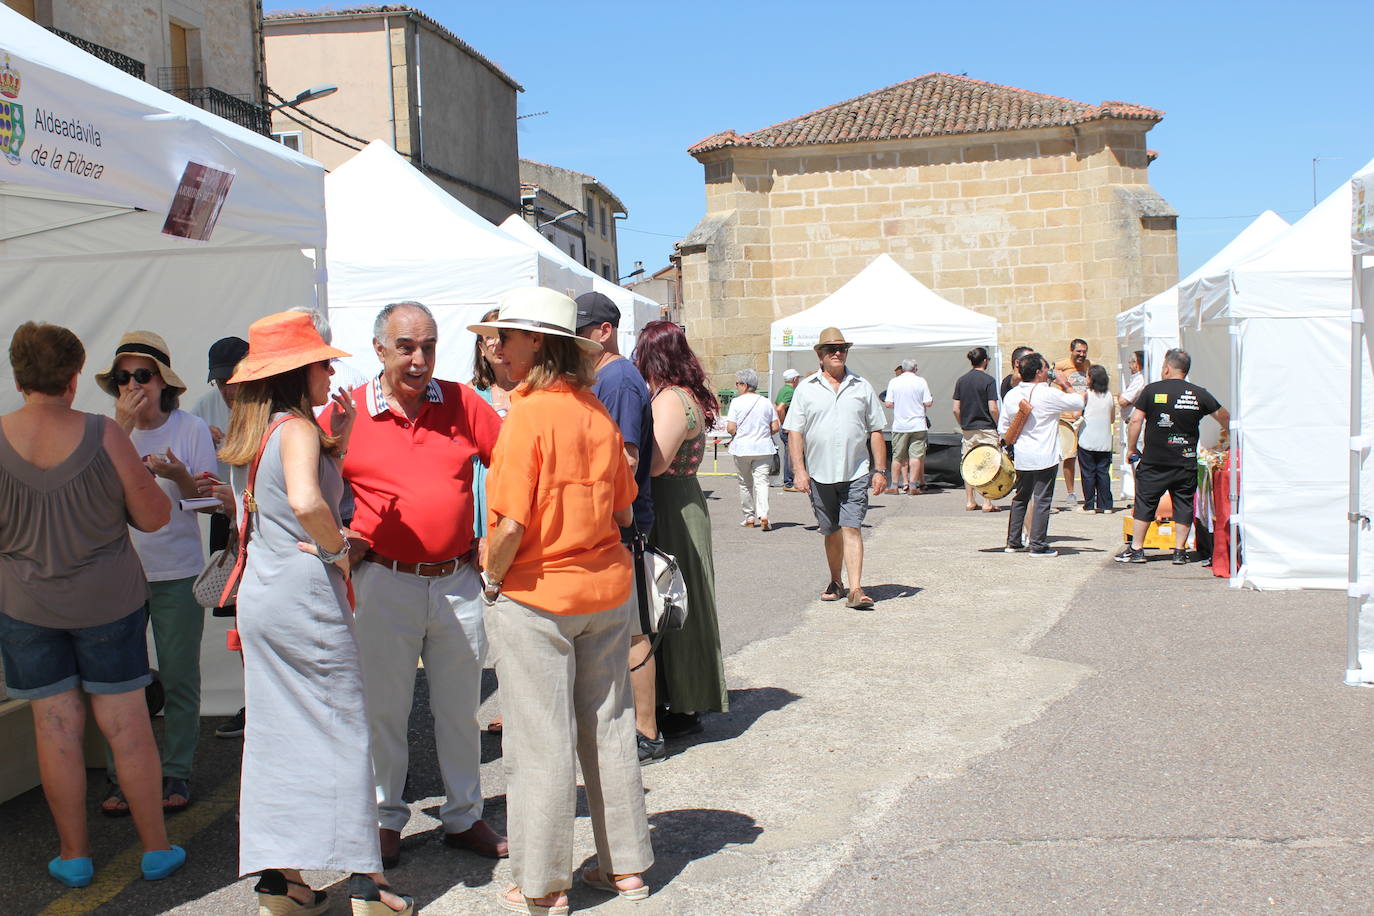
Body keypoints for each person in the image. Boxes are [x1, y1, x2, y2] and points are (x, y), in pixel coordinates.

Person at [221, 311, 412, 915]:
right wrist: (339, 551)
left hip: (263, 595)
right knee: (344, 731)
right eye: (323, 363)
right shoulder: (295, 430)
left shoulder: (252, 434)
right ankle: (365, 884)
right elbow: (307, 499)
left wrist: (343, 435)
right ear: (297, 372)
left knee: (277, 738)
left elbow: (277, 497)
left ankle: (281, 881)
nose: (331, 372)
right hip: (305, 593)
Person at [473, 288, 653, 913]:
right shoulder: (595, 412)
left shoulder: (527, 415)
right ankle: (625, 866)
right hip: (604, 588)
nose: (497, 346)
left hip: (538, 594)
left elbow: (510, 524)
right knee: (607, 728)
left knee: (539, 739)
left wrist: (492, 577)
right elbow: (625, 504)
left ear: (538, 344)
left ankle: (543, 881)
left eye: (508, 337)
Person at [323, 301, 507, 868]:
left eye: (428, 346)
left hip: (456, 580)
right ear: (379, 350)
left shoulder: (460, 402)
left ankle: (462, 816)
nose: (420, 358)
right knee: (385, 707)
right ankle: (383, 820)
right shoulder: (347, 413)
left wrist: (496, 535)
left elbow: (513, 463)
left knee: (458, 708)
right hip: (383, 580)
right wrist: (343, 539)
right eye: (406, 347)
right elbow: (316, 483)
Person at [0, 323, 184, 888]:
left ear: (17, 375)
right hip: (109, 602)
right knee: (127, 725)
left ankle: (74, 854)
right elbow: (154, 516)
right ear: (76, 377)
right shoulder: (105, 434)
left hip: (27, 606)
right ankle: (155, 847)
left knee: (54, 727)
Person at [95, 331, 217, 816]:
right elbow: (89, 495)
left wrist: (178, 475)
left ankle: (176, 772)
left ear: (163, 381)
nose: (132, 386)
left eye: (142, 375)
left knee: (180, 676)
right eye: (123, 377)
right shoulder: (105, 433)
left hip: (177, 571)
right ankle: (124, 775)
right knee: (119, 682)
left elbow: (209, 504)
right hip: (119, 574)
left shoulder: (188, 428)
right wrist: (120, 430)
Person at [574, 292, 664, 764]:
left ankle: (647, 731)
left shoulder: (619, 380)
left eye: (581, 330)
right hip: (614, 522)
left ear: (603, 331)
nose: (574, 340)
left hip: (623, 524)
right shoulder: (608, 378)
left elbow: (626, 459)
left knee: (632, 630)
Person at [636, 320, 730, 736]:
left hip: (671, 503)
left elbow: (655, 462)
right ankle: (680, 698)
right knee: (675, 600)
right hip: (679, 499)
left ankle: (683, 702)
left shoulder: (672, 399)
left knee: (670, 602)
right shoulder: (681, 394)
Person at [783, 327, 888, 609]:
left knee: (851, 527)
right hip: (819, 473)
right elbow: (795, 432)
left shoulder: (861, 386)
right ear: (820, 356)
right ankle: (836, 580)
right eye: (831, 350)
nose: (838, 353)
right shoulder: (806, 388)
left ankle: (856, 589)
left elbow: (876, 430)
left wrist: (880, 470)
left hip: (856, 472)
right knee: (830, 531)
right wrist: (799, 470)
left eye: (842, 348)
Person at [188, 335, 249, 739]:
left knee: (266, 612)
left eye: (232, 379)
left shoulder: (268, 404)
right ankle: (254, 699)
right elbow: (197, 485)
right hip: (226, 525)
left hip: (260, 520)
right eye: (220, 382)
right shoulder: (203, 410)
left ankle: (267, 700)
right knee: (242, 616)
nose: (226, 389)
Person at [1116, 348, 1229, 565]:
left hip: (1154, 460)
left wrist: (1131, 448)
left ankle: (1137, 549)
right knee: (1184, 504)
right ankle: (1179, 551)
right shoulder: (1198, 393)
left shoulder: (1151, 390)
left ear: (1166, 369)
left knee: (1145, 501)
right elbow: (1224, 416)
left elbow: (1136, 420)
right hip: (1184, 459)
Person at [470, 306, 517, 737]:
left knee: (517, 608)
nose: (497, 349)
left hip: (517, 507)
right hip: (480, 503)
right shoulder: (471, 396)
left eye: (503, 339)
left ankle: (514, 700)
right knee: (483, 612)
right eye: (489, 341)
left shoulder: (531, 393)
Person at [998, 352, 1088, 557]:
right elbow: (1078, 403)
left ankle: (1013, 541)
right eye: (1046, 368)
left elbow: (1003, 426)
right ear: (1039, 372)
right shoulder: (1047, 393)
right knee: (1042, 499)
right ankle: (1037, 544)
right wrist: (1064, 383)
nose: (1049, 372)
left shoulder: (1012, 395)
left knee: (1021, 497)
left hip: (1022, 454)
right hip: (1044, 455)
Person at [726, 368, 780, 529]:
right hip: (763, 448)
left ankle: (749, 517)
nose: (736, 387)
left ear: (744, 385)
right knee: (762, 483)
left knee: (745, 483)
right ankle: (764, 514)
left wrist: (739, 432)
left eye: (737, 384)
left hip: (742, 448)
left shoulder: (736, 402)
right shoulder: (766, 402)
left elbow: (730, 428)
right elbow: (775, 427)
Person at [952, 346, 1001, 512]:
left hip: (968, 428)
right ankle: (987, 501)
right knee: (989, 463)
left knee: (969, 463)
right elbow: (993, 407)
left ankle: (970, 500)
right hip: (986, 427)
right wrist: (998, 424)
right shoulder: (989, 380)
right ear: (985, 360)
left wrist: (962, 423)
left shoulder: (961, 380)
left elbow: (956, 408)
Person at [884, 358, 933, 494]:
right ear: (915, 369)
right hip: (918, 424)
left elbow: (888, 403)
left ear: (903, 368)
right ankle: (913, 486)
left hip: (900, 425)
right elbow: (928, 402)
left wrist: (899, 404)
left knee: (898, 456)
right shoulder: (921, 381)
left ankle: (894, 485)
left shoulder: (894, 382)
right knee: (916, 456)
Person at [1053, 339, 1092, 506]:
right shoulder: (1061, 366)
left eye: (1084, 351)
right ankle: (1071, 492)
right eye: (1079, 351)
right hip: (1067, 418)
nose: (1081, 355)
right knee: (1069, 456)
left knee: (1087, 457)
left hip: (1085, 417)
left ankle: (1089, 492)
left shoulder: (1089, 365)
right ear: (1071, 350)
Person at [1077, 364, 1116, 513]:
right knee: (1103, 473)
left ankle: (1089, 505)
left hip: (1087, 439)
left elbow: (1076, 414)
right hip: (1104, 440)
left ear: (1091, 378)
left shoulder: (1086, 394)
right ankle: (1106, 505)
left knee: (1088, 473)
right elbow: (1112, 419)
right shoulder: (1109, 395)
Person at [1118, 349, 1146, 501]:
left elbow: (1123, 400)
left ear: (1138, 363)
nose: (1130, 366)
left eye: (1132, 362)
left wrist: (1121, 397)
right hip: (1132, 422)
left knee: (1137, 460)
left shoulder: (1140, 379)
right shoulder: (1136, 378)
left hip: (1138, 425)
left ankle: (1141, 499)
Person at [775, 368, 801, 490]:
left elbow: (776, 406)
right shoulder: (791, 391)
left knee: (789, 454)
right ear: (795, 379)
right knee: (791, 454)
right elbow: (780, 408)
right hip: (788, 428)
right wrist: (785, 424)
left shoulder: (782, 390)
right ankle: (789, 482)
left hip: (785, 427)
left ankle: (789, 480)